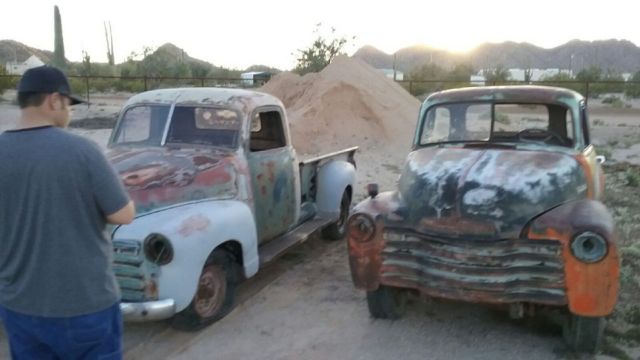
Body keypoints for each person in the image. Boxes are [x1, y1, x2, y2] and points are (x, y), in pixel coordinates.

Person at [0, 65, 135, 359]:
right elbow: (123, 214)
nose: (70, 113)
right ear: (54, 100)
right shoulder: (82, 151)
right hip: (85, 305)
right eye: (69, 105)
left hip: (19, 305)